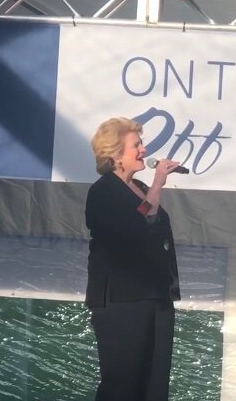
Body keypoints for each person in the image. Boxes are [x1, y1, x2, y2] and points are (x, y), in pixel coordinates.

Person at [85, 117, 181, 401]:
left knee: (154, 386)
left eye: (141, 143)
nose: (144, 149)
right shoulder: (103, 191)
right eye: (136, 145)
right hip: (122, 300)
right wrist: (159, 182)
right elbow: (140, 222)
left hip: (155, 297)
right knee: (124, 385)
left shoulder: (137, 186)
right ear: (115, 154)